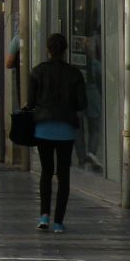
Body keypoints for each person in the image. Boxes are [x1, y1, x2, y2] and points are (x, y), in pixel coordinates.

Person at [26, 32, 87, 232]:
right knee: (63, 175)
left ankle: (44, 216)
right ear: (65, 49)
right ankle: (59, 221)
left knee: (45, 172)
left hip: (43, 127)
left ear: (48, 50)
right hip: (66, 129)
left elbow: (31, 102)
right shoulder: (74, 74)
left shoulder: (37, 71)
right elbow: (82, 103)